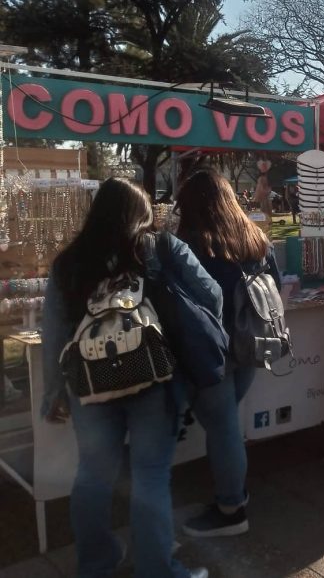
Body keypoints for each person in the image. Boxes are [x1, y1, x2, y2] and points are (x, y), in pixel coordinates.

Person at [42, 178, 215, 578]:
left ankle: (97, 565)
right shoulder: (160, 247)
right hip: (153, 377)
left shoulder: (68, 262)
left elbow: (55, 332)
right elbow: (211, 295)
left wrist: (54, 391)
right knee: (150, 475)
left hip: (91, 381)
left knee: (92, 475)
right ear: (142, 213)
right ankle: (156, 569)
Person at [174, 169, 281, 537]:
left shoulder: (192, 247)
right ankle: (233, 494)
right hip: (249, 344)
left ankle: (231, 507)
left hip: (210, 351)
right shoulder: (254, 238)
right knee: (226, 425)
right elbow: (275, 286)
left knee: (223, 428)